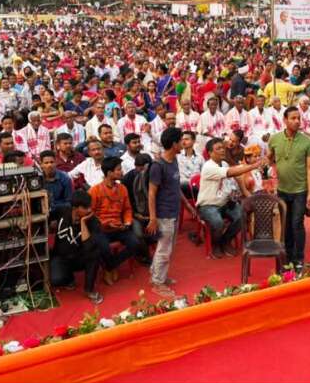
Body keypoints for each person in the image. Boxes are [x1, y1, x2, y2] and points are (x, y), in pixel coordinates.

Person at [147, 127, 197, 298]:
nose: (183, 143)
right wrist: (153, 218)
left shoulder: (174, 161)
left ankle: (157, 274)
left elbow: (175, 187)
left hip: (174, 211)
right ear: (174, 144)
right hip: (163, 214)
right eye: (181, 141)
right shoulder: (158, 166)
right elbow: (152, 193)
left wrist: (188, 207)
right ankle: (158, 283)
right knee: (164, 250)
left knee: (168, 248)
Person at [197, 138, 264, 259]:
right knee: (218, 222)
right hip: (208, 205)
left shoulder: (224, 163)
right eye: (218, 149)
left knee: (241, 216)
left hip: (224, 202)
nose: (222, 150)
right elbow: (231, 172)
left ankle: (225, 241)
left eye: (223, 147)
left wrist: (237, 193)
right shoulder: (208, 166)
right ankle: (216, 244)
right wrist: (253, 166)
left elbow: (231, 181)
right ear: (210, 153)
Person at [267, 106, 310, 269]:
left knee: (297, 223)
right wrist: (271, 175)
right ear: (285, 120)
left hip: (300, 191)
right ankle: (287, 257)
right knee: (286, 224)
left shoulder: (307, 142)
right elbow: (269, 159)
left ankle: (299, 259)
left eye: (298, 118)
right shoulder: (274, 139)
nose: (297, 121)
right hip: (282, 190)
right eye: (293, 118)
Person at [88, 156, 140, 285]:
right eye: (118, 170)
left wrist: (127, 222)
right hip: (101, 228)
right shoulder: (94, 190)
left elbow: (127, 209)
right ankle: (111, 267)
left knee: (136, 243)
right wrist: (105, 223)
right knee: (103, 247)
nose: (121, 172)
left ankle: (109, 266)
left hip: (118, 227)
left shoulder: (122, 189)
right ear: (109, 173)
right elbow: (90, 214)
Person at [50, 191, 105, 304]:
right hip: (61, 257)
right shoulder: (62, 211)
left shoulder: (93, 221)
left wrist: (83, 222)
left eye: (89, 206)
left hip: (80, 258)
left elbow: (89, 247)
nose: (89, 210)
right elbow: (46, 217)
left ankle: (89, 289)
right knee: (55, 279)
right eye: (85, 207)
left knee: (94, 253)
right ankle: (69, 279)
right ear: (75, 208)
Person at [40, 149, 73, 217]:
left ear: (56, 163)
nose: (49, 165)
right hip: (42, 212)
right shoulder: (37, 180)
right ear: (41, 165)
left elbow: (69, 202)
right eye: (46, 163)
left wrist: (52, 207)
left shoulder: (65, 178)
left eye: (52, 162)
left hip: (61, 212)